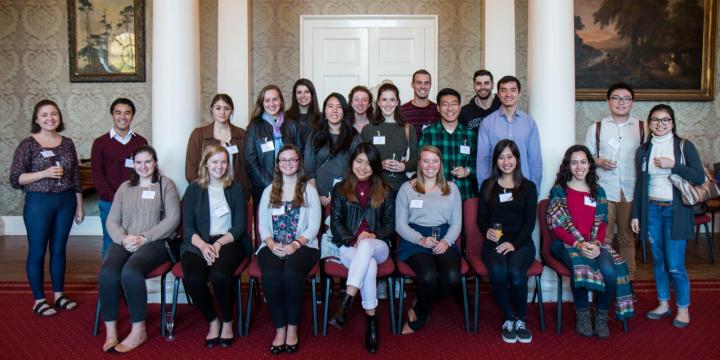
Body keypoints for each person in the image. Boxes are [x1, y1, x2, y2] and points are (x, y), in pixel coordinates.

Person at [98, 145, 180, 353]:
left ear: (154, 163)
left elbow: (173, 219)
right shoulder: (125, 188)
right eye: (138, 162)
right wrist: (122, 238)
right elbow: (112, 220)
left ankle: (138, 330)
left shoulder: (165, 185)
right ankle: (111, 332)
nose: (143, 166)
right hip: (126, 240)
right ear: (133, 165)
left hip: (156, 242)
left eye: (147, 162)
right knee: (108, 272)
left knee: (131, 271)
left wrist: (144, 238)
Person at [548, 145, 634, 338]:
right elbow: (556, 226)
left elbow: (603, 224)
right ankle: (583, 314)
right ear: (568, 166)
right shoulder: (559, 191)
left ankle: (601, 315)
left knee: (611, 272)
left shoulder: (599, 192)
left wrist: (595, 245)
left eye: (583, 162)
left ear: (590, 164)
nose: (579, 167)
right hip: (565, 243)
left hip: (594, 243)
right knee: (580, 268)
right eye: (574, 162)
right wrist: (579, 244)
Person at [631, 104, 705, 328]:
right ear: (650, 123)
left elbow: (699, 176)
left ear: (672, 123)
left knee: (675, 265)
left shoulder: (684, 146)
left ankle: (683, 308)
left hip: (675, 211)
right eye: (655, 120)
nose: (660, 124)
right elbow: (640, 184)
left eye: (665, 120)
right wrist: (636, 214)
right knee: (659, 262)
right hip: (651, 210)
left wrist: (674, 166)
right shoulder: (643, 150)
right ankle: (663, 304)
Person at [9, 99, 85, 317]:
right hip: (39, 203)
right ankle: (39, 300)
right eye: (44, 115)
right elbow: (15, 178)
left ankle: (59, 295)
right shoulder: (28, 144)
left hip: (66, 201)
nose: (50, 118)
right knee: (38, 250)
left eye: (54, 114)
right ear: (36, 119)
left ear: (59, 117)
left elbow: (76, 176)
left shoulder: (67, 142)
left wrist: (79, 205)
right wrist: (44, 173)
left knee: (59, 250)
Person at [181, 145, 251, 348]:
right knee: (193, 277)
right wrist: (204, 246)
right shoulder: (194, 189)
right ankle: (213, 320)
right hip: (198, 242)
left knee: (220, 275)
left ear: (228, 164)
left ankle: (227, 321)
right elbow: (188, 227)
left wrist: (218, 243)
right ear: (206, 164)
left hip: (229, 241)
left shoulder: (235, 188)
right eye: (214, 161)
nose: (219, 166)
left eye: (223, 162)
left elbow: (239, 227)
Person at [327, 143, 395, 353]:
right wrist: (351, 239)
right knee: (370, 266)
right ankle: (371, 323)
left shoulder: (384, 190)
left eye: (368, 163)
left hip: (379, 245)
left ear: (375, 166)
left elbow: (390, 225)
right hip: (349, 246)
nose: (363, 167)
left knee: (368, 247)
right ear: (352, 162)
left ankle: (347, 301)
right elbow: (336, 222)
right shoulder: (340, 189)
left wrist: (374, 235)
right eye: (359, 161)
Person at [256, 144, 321, 354]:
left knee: (292, 274)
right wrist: (272, 244)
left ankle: (292, 328)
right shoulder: (269, 191)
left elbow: (313, 227)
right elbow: (263, 225)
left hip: (303, 245)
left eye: (292, 159)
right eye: (283, 160)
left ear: (298, 162)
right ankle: (280, 328)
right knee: (272, 276)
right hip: (272, 245)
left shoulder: (309, 191)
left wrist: (295, 244)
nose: (288, 164)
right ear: (278, 165)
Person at [395, 145, 462, 334]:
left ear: (441, 164)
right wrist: (420, 240)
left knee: (451, 277)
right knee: (428, 276)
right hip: (414, 239)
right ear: (419, 163)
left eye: (435, 161)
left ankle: (420, 303)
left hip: (443, 237)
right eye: (426, 161)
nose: (430, 165)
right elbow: (400, 225)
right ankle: (422, 315)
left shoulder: (452, 189)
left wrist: (446, 242)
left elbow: (457, 224)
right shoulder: (406, 189)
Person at [477, 139, 537, 343]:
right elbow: (481, 218)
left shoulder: (528, 187)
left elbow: (529, 223)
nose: (506, 161)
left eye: (510, 156)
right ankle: (509, 317)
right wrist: (487, 231)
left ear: (517, 159)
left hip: (521, 242)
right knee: (499, 272)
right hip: (495, 241)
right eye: (501, 157)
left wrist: (514, 244)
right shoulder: (487, 185)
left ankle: (521, 318)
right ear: (496, 161)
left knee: (516, 273)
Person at [584, 83, 644, 280]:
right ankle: (604, 279)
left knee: (627, 237)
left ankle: (627, 281)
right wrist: (599, 161)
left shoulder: (642, 128)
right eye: (616, 98)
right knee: (604, 236)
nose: (621, 102)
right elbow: (585, 157)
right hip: (605, 190)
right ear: (609, 101)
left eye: (626, 98)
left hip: (630, 189)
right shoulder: (597, 128)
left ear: (632, 102)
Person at [91, 98, 149, 258]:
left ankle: (128, 280)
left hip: (136, 203)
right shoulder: (100, 143)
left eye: (127, 113)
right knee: (111, 243)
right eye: (118, 112)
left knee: (134, 243)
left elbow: (146, 172)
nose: (122, 117)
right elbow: (97, 175)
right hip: (109, 203)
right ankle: (109, 282)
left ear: (132, 116)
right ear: (112, 115)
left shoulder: (141, 142)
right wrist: (115, 198)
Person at [476, 75, 542, 190]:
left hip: (523, 186)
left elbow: (534, 160)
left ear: (519, 93)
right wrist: (484, 188)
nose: (508, 94)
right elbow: (483, 159)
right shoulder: (487, 123)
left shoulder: (529, 123)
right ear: (498, 94)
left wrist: (534, 190)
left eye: (513, 90)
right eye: (503, 90)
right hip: (495, 188)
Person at [246, 85, 304, 214]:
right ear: (262, 103)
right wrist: (270, 184)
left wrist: (291, 183)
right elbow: (250, 160)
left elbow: (300, 156)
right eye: (267, 100)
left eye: (275, 99)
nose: (271, 104)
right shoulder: (254, 127)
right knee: (266, 226)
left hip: (291, 186)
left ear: (281, 101)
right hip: (263, 187)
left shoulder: (293, 126)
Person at [304, 93, 362, 206]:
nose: (334, 110)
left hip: (346, 196)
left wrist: (346, 194)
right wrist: (316, 196)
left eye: (339, 107)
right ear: (324, 111)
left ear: (344, 111)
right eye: (330, 106)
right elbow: (309, 169)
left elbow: (360, 168)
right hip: (318, 197)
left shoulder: (354, 136)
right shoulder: (315, 135)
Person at [419, 88, 477, 200]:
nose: (450, 108)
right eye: (445, 104)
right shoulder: (428, 134)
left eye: (454, 104)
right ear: (438, 108)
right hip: (435, 195)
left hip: (463, 194)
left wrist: (467, 171)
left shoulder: (470, 134)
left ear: (459, 107)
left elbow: (479, 164)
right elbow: (419, 164)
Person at [185, 93, 251, 192]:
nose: (222, 112)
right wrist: (201, 191)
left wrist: (245, 190)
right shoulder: (198, 135)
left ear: (231, 111)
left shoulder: (241, 134)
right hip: (206, 191)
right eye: (218, 108)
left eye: (227, 108)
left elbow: (248, 165)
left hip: (236, 191)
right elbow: (191, 169)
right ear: (212, 109)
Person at [361, 83, 418, 194]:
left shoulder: (408, 129)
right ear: (378, 102)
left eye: (392, 100)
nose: (388, 104)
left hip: (402, 188)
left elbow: (415, 159)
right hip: (375, 188)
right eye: (384, 100)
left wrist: (404, 166)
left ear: (397, 103)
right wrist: (379, 165)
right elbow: (362, 161)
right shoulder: (368, 129)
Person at [401, 69, 440, 137]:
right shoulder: (401, 110)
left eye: (426, 83)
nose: (423, 86)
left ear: (430, 85)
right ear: (412, 85)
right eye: (419, 83)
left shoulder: (439, 110)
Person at [285, 78, 321, 143]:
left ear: (312, 95)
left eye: (307, 92)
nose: (303, 96)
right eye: (299, 92)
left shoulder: (321, 117)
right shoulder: (286, 116)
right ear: (295, 96)